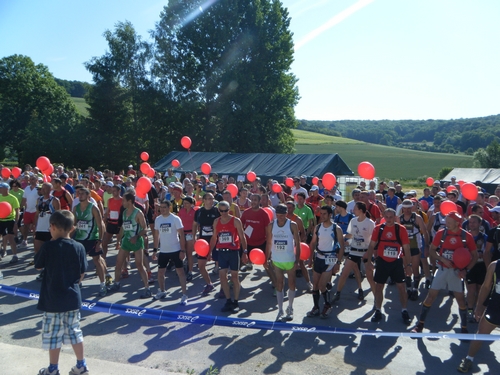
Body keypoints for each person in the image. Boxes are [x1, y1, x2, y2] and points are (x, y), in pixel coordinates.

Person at [34, 210, 89, 375]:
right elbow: (82, 272)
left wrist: (50, 242)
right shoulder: (79, 247)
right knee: (75, 332)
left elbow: (38, 265)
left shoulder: (48, 246)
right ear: (72, 228)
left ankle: (52, 369)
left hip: (52, 299)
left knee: (53, 335)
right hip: (72, 297)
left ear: (52, 227)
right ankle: (81, 365)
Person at [412, 211, 478, 333]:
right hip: (442, 269)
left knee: (460, 299)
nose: (446, 224)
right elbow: (432, 250)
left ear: (457, 223)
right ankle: (420, 325)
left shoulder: (466, 236)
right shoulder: (441, 234)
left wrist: (466, 270)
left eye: (449, 222)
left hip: (457, 272)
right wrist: (441, 259)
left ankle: (464, 328)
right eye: (446, 221)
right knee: (430, 296)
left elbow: (474, 255)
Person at [365, 208, 412, 324]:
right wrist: (369, 261)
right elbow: (371, 246)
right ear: (384, 217)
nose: (389, 219)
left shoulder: (401, 229)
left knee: (401, 287)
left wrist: (409, 265)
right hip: (382, 261)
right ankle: (378, 310)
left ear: (395, 217)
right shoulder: (378, 229)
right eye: (387, 217)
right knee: (379, 286)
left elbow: (406, 248)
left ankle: (404, 310)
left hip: (396, 262)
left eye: (391, 217)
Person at [457, 260, 500, 373]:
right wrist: (479, 306)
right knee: (480, 334)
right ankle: (469, 359)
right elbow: (486, 287)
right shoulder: (495, 265)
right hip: (495, 308)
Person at [108, 192, 152, 298]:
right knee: (118, 263)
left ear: (129, 201)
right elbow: (123, 227)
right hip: (126, 241)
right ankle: (116, 283)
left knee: (139, 265)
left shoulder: (138, 213)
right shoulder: (124, 213)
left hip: (136, 242)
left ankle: (147, 289)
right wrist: (118, 240)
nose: (122, 202)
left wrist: (136, 236)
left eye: (123, 200)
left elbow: (145, 228)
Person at [306, 206, 345, 319]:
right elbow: (313, 243)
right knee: (315, 285)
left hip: (330, 259)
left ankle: (327, 305)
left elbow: (341, 247)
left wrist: (338, 262)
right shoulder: (317, 227)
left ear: (330, 215)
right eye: (321, 213)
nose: (322, 216)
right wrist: (310, 258)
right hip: (318, 257)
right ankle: (316, 307)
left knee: (323, 285)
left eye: (324, 214)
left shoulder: (336, 228)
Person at [333, 202, 375, 302]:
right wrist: (343, 237)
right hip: (354, 251)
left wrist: (369, 254)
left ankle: (376, 299)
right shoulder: (353, 221)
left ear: (361, 210)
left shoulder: (370, 223)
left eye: (355, 209)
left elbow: (374, 240)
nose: (353, 210)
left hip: (365, 252)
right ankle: (337, 293)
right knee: (344, 273)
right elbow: (351, 235)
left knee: (370, 277)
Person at [210, 200, 247, 313]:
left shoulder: (235, 221)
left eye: (226, 211)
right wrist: (209, 252)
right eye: (221, 211)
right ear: (218, 211)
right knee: (222, 277)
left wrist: (245, 252)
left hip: (233, 251)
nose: (224, 213)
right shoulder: (216, 221)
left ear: (229, 210)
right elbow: (214, 237)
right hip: (222, 252)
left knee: (234, 277)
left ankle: (235, 301)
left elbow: (242, 236)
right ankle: (228, 300)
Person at [266, 204, 301, 321]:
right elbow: (269, 243)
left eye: (282, 215)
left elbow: (298, 243)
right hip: (277, 259)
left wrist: (298, 259)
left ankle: (290, 308)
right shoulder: (271, 225)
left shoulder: (293, 225)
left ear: (287, 214)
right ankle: (280, 310)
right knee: (279, 284)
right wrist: (267, 257)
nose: (280, 217)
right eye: (278, 215)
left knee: (292, 283)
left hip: (290, 259)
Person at [73, 188, 109, 297]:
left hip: (92, 238)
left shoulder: (93, 208)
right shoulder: (76, 208)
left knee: (97, 261)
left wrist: (100, 241)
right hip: (79, 239)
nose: (80, 195)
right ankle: (78, 283)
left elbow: (100, 225)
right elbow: (74, 225)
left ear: (89, 196)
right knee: (77, 262)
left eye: (83, 194)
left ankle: (103, 284)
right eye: (79, 193)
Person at [152, 200, 188, 305]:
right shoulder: (158, 220)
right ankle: (162, 291)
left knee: (180, 272)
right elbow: (156, 235)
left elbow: (181, 235)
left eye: (164, 207)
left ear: (169, 208)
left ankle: (184, 294)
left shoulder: (175, 219)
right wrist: (155, 249)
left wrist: (183, 250)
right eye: (161, 207)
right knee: (160, 273)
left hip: (176, 250)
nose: (162, 209)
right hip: (163, 251)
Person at [241, 194, 276, 291]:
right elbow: (240, 226)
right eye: (252, 199)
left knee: (266, 264)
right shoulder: (246, 212)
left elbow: (268, 231)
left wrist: (269, 244)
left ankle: (276, 285)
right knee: (241, 261)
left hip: (261, 243)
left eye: (255, 200)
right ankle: (233, 280)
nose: (253, 201)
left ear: (259, 201)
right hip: (248, 243)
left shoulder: (264, 214)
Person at [399, 199, 429, 301]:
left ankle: (415, 289)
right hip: (404, 247)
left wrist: (426, 247)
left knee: (415, 268)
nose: (407, 210)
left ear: (412, 207)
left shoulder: (417, 218)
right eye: (405, 208)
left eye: (409, 208)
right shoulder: (400, 219)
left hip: (415, 245)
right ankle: (408, 289)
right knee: (406, 268)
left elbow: (425, 232)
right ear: (402, 208)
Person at [193, 192, 220, 295]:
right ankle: (209, 284)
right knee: (201, 265)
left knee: (221, 266)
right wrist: (194, 236)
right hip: (203, 241)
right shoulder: (199, 212)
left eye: (212, 198)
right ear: (203, 200)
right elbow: (194, 224)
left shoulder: (217, 211)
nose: (210, 200)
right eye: (208, 198)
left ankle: (223, 286)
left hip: (216, 241)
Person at [465, 214, 488, 322]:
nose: (472, 224)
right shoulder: (465, 236)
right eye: (470, 222)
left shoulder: (484, 237)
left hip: (481, 265)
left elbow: (488, 252)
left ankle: (478, 312)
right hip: (470, 265)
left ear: (480, 224)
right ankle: (470, 310)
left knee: (480, 289)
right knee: (471, 289)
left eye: (474, 222)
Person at [0, 182, 20, 263]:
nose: (0, 189)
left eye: (1, 188)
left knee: (11, 238)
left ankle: (15, 255)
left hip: (10, 220)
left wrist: (16, 223)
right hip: (1, 220)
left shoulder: (13, 198)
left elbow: (17, 211)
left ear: (6, 189)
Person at [177, 196, 197, 281]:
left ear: (191, 204)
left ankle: (190, 271)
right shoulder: (181, 211)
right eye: (184, 203)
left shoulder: (195, 212)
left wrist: (194, 235)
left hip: (190, 233)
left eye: (187, 203)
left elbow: (196, 225)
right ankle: (182, 268)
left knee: (189, 253)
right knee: (181, 251)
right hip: (182, 233)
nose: (185, 205)